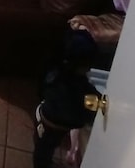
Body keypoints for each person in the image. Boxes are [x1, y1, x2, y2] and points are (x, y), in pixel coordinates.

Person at [33, 29, 101, 168]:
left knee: (43, 145)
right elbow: (76, 112)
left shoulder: (54, 70)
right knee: (45, 149)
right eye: (88, 65)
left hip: (44, 114)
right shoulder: (73, 88)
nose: (89, 69)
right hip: (53, 124)